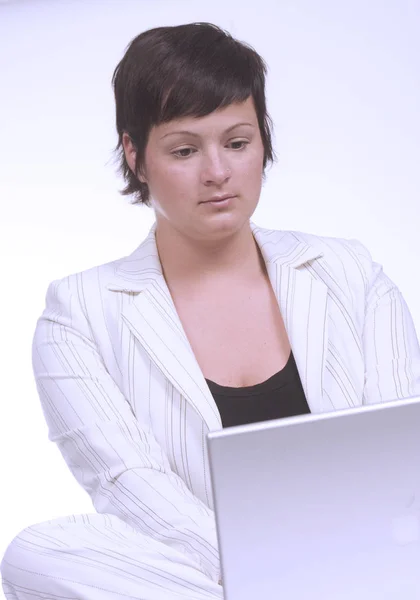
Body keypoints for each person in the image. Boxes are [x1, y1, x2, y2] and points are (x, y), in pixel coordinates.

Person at [2, 21, 420, 600]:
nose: (217, 172)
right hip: (215, 577)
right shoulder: (79, 314)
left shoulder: (349, 274)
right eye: (183, 149)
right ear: (135, 154)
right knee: (37, 554)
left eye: (238, 142)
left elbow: (403, 458)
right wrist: (281, 576)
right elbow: (136, 493)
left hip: (377, 561)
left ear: (263, 142)